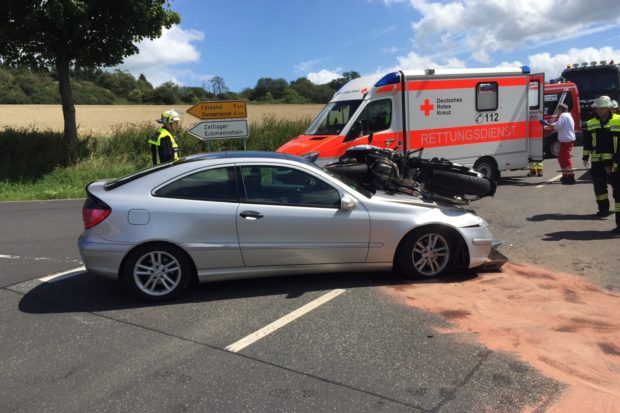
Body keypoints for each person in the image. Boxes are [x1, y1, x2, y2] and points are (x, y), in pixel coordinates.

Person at [582, 95, 619, 218]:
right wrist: (585, 156)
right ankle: (603, 209)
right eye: (598, 108)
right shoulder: (591, 122)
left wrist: (611, 161)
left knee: (617, 187)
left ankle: (618, 209)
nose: (599, 110)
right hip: (597, 160)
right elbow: (587, 141)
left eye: (602, 108)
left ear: (608, 108)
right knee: (599, 187)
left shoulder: (618, 120)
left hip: (614, 160)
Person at [541, 103, 576, 184]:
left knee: (565, 158)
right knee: (561, 158)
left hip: (566, 141)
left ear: (560, 109)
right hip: (566, 140)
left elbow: (556, 126)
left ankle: (571, 176)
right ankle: (565, 175)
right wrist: (545, 126)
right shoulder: (567, 116)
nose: (557, 111)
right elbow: (556, 124)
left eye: (558, 109)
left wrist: (546, 124)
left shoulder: (563, 115)